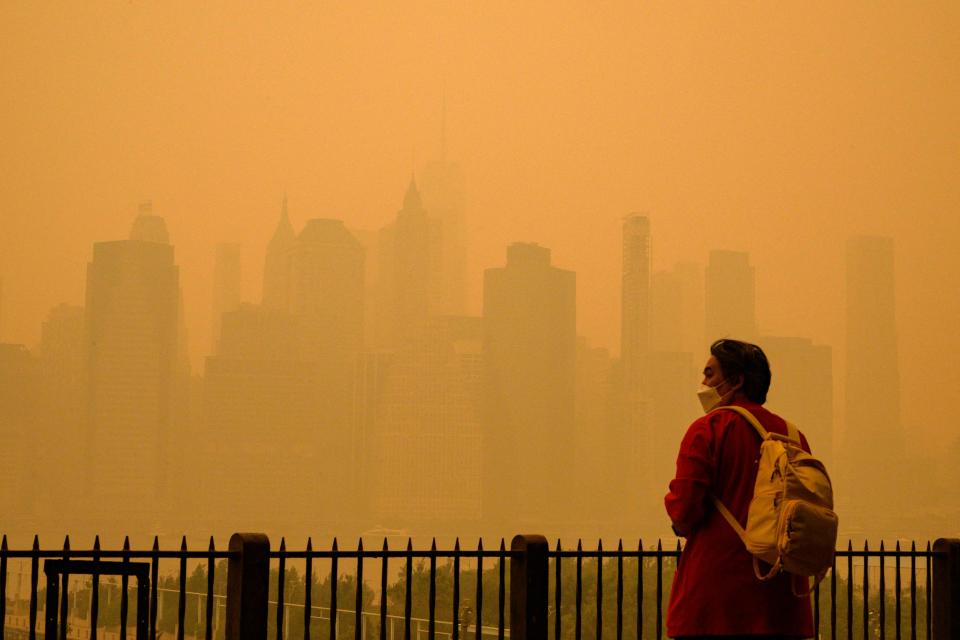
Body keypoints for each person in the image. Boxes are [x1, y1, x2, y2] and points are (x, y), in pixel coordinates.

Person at [664, 339, 814, 639]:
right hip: (782, 601)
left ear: (736, 381)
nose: (703, 382)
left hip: (716, 599)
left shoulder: (708, 429)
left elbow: (683, 510)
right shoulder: (793, 437)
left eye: (710, 374)